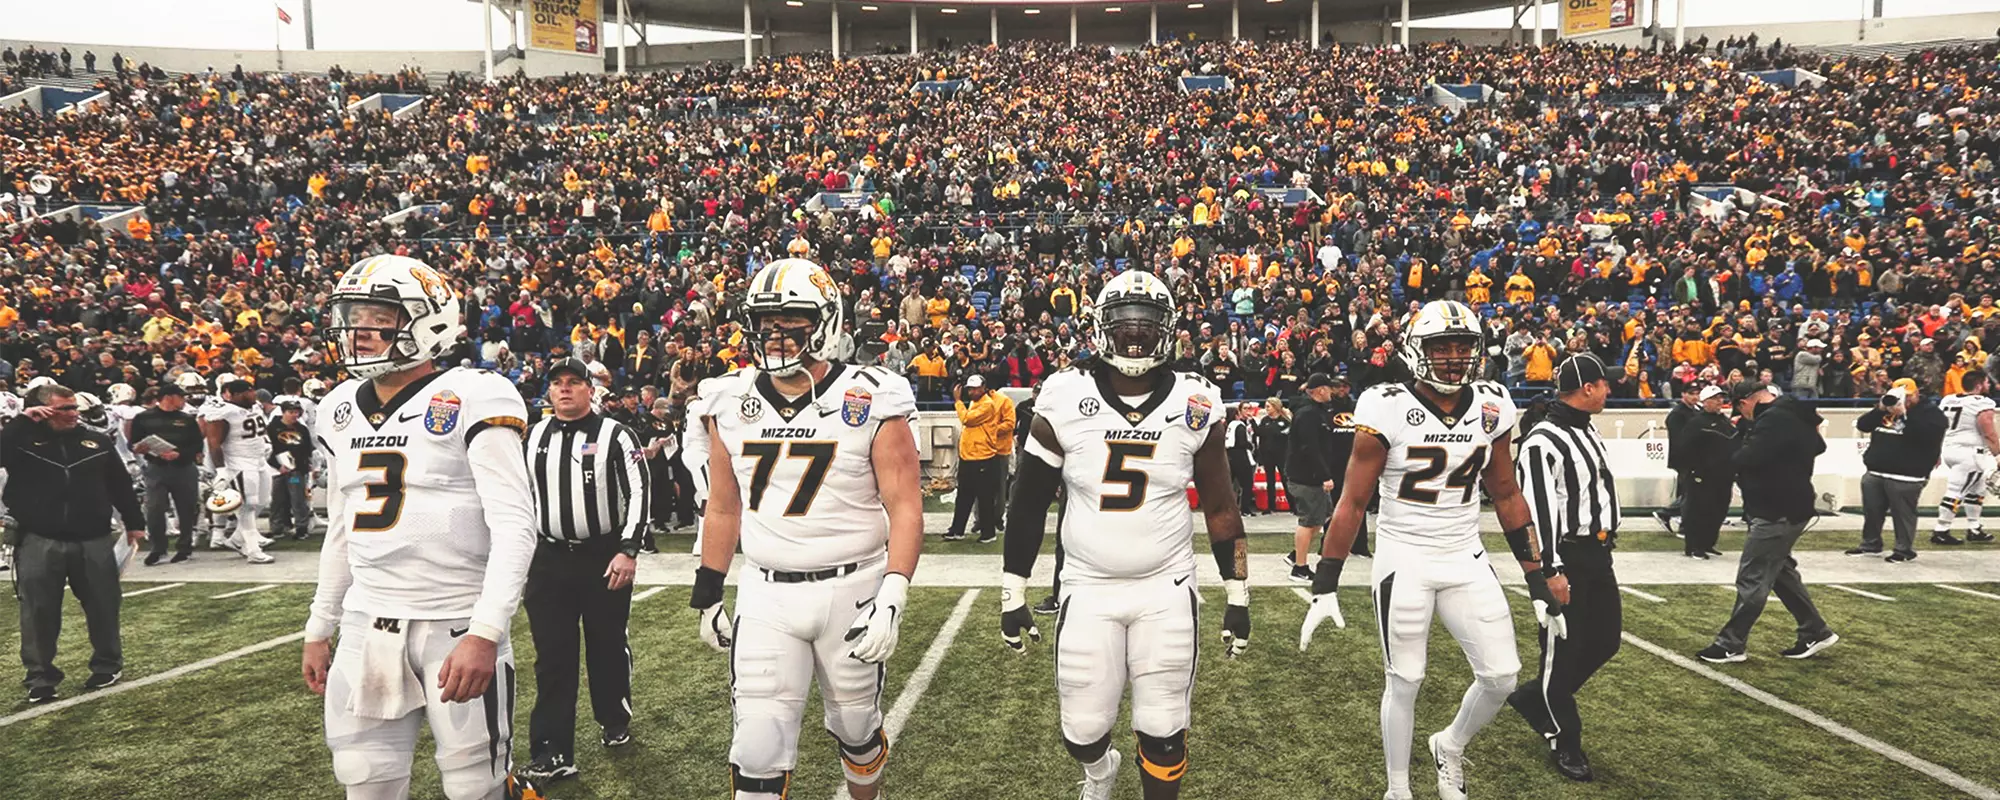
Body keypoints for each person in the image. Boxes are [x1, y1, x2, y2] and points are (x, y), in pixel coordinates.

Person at [299, 254, 548, 800]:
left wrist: (486, 632)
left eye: (378, 316)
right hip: (367, 622)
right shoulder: (337, 406)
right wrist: (321, 626)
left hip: (453, 621)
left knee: (474, 784)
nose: (358, 331)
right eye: (353, 315)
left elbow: (515, 524)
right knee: (363, 780)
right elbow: (341, 527)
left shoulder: (473, 394)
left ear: (427, 320)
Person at [996, 269, 1250, 800]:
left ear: (1168, 329)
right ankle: (1099, 770)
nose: (1135, 336)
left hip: (1167, 585)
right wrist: (1012, 589)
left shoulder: (1196, 399)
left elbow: (1222, 505)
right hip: (1088, 585)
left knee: (1163, 730)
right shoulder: (1064, 394)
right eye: (1124, 325)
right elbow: (1028, 503)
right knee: (1082, 733)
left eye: (1147, 325)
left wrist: (1238, 592)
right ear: (1101, 328)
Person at [1301, 299, 1568, 800]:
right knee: (1405, 678)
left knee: (1502, 675)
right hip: (1405, 555)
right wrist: (1325, 582)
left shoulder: (1492, 403)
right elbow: (1354, 500)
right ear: (1415, 350)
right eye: (1440, 347)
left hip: (1465, 553)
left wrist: (1537, 576)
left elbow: (1507, 494)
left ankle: (1449, 744)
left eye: (1461, 347)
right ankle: (1398, 789)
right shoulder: (1386, 404)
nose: (1451, 358)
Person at [688, 258, 923, 800]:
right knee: (757, 747)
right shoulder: (728, 398)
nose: (776, 335)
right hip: (766, 589)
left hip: (853, 588)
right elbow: (723, 506)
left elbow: (906, 505)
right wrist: (707, 591)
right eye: (766, 322)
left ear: (826, 321)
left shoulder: (871, 395)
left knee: (856, 730)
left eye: (791, 320)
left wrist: (894, 593)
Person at [519, 358, 651, 782]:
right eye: (557, 383)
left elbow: (638, 490)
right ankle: (552, 751)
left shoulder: (616, 434)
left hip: (602, 556)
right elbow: (518, 495)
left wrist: (628, 549)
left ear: (590, 389)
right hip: (550, 559)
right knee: (552, 656)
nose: (564, 390)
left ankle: (614, 718)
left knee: (606, 645)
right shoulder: (533, 435)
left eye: (574, 382)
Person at [1509, 354, 1622, 783]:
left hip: (1597, 554)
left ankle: (1536, 699)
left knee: (1606, 640)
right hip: (1567, 557)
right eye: (1603, 384)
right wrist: (1549, 570)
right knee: (1561, 651)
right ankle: (1564, 738)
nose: (1609, 391)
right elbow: (1538, 512)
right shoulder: (1544, 441)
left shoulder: (1586, 432)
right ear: (1588, 388)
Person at [4, 383, 145, 704]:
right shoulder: (22, 440)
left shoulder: (95, 440)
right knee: (38, 612)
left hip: (93, 537)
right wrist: (22, 421)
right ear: (41, 410)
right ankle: (40, 676)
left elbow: (119, 483)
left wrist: (134, 523)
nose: (73, 414)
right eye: (63, 408)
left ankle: (108, 664)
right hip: (40, 537)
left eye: (74, 408)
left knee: (104, 606)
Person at [1698, 381, 1839, 664]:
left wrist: (1731, 450)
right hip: (1792, 504)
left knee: (1753, 576)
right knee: (1781, 573)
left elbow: (1747, 458)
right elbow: (1818, 445)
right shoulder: (1793, 414)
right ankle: (1815, 630)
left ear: (1745, 401)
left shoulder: (1773, 420)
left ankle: (1731, 643)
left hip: (1775, 509)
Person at [1849, 377, 1945, 561]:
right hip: (1876, 470)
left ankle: (1903, 549)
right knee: (1872, 511)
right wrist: (1880, 409)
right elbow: (1863, 425)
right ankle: (1870, 543)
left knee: (1903, 515)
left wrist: (1905, 415)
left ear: (1917, 394)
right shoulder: (1885, 410)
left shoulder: (1930, 413)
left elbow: (1926, 436)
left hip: (1907, 474)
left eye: (1908, 396)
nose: (1905, 400)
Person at [200, 378, 276, 564]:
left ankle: (236, 539)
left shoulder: (255, 407)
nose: (252, 394)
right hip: (239, 464)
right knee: (247, 507)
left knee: (264, 501)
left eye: (251, 390)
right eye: (246, 391)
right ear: (231, 394)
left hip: (259, 460)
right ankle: (253, 550)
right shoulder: (224, 413)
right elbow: (214, 443)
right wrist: (221, 470)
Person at [128, 383, 205, 564]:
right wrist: (139, 448)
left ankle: (184, 547)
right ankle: (158, 548)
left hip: (183, 467)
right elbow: (133, 443)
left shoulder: (186, 419)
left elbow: (197, 445)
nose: (184, 401)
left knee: (186, 509)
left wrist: (179, 453)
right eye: (181, 397)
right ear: (169, 397)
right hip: (156, 467)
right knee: (154, 509)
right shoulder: (143, 418)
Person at [1283, 373, 1339, 581]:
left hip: (1310, 474)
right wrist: (1324, 475)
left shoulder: (1316, 411)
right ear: (1321, 390)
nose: (1332, 392)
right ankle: (1300, 568)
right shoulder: (1308, 414)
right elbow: (1310, 448)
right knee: (1308, 521)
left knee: (1322, 516)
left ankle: (1296, 554)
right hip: (1306, 475)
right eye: (1329, 388)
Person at [1933, 369, 1998, 544]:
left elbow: (1939, 425)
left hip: (1950, 448)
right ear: (1978, 385)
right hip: (1969, 452)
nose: (1989, 384)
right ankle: (1941, 529)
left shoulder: (1948, 399)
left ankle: (1974, 528)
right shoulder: (1982, 402)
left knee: (1977, 490)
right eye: (1986, 382)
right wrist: (1998, 454)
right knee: (1956, 491)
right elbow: (1988, 431)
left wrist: (1936, 451)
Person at [946, 373, 1013, 543]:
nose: (973, 392)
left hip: (983, 456)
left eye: (976, 388)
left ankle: (988, 532)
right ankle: (958, 529)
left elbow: (967, 419)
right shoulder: (978, 402)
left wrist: (958, 401)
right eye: (971, 389)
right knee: (965, 496)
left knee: (985, 497)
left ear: (984, 388)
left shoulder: (988, 405)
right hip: (970, 456)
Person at [1674, 385, 1736, 560]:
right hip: (1702, 475)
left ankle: (1708, 543)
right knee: (1699, 511)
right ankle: (1694, 546)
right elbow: (1685, 448)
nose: (1719, 402)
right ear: (1705, 401)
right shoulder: (1696, 423)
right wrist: (1693, 470)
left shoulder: (1724, 421)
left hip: (1723, 475)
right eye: (1715, 398)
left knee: (1719, 510)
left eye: (1721, 398)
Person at [1655, 381, 1703, 532]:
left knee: (1688, 491)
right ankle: (1672, 516)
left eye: (1697, 393)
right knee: (1689, 492)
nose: (1695, 397)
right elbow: (1679, 439)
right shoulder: (1677, 414)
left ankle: (1678, 519)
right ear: (1683, 395)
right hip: (1684, 459)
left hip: (1693, 458)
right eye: (1691, 393)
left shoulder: (1695, 411)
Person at [266, 401, 317, 541]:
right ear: (283, 412)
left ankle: (301, 528)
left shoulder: (302, 429)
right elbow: (268, 449)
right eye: (291, 412)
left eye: (297, 412)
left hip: (297, 471)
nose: (294, 415)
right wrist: (278, 465)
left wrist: (308, 465)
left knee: (298, 499)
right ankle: (277, 528)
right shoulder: (272, 428)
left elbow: (308, 449)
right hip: (278, 471)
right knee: (277, 500)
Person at [1254, 396, 1290, 515]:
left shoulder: (1285, 421)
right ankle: (1270, 506)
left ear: (1275, 407)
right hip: (1267, 455)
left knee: (1285, 479)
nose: (1266, 409)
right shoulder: (1265, 420)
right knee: (1270, 481)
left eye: (1268, 406)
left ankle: (1293, 505)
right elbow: (1259, 433)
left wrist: (1270, 431)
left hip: (1281, 454)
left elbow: (1283, 435)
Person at [1226, 402, 1260, 513]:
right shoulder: (1239, 425)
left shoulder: (1230, 425)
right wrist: (1250, 446)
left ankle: (1230, 508)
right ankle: (1244, 509)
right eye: (1244, 409)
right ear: (1238, 413)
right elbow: (1242, 442)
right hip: (1241, 455)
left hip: (1230, 455)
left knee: (1232, 483)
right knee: (1246, 483)